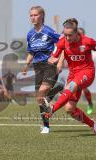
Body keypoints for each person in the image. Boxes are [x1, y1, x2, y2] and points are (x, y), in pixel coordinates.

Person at [44, 18, 96, 136]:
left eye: (70, 35)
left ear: (76, 33)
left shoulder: (88, 41)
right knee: (69, 109)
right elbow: (53, 57)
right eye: (65, 35)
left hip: (87, 72)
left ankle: (52, 109)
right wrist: (52, 61)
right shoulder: (62, 42)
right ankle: (93, 124)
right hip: (73, 74)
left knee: (72, 85)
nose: (67, 38)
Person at [22, 6, 63, 134]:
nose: (33, 17)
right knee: (40, 99)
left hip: (49, 65)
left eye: (35, 15)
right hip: (37, 67)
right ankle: (46, 126)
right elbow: (31, 52)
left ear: (42, 16)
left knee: (42, 92)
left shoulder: (49, 31)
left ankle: (54, 91)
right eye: (31, 15)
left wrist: (60, 62)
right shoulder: (30, 34)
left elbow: (64, 44)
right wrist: (26, 65)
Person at [58, 27, 94, 114]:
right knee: (70, 89)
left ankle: (90, 103)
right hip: (74, 71)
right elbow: (64, 51)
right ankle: (72, 105)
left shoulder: (85, 44)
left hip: (84, 71)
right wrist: (61, 62)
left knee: (84, 89)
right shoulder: (69, 43)